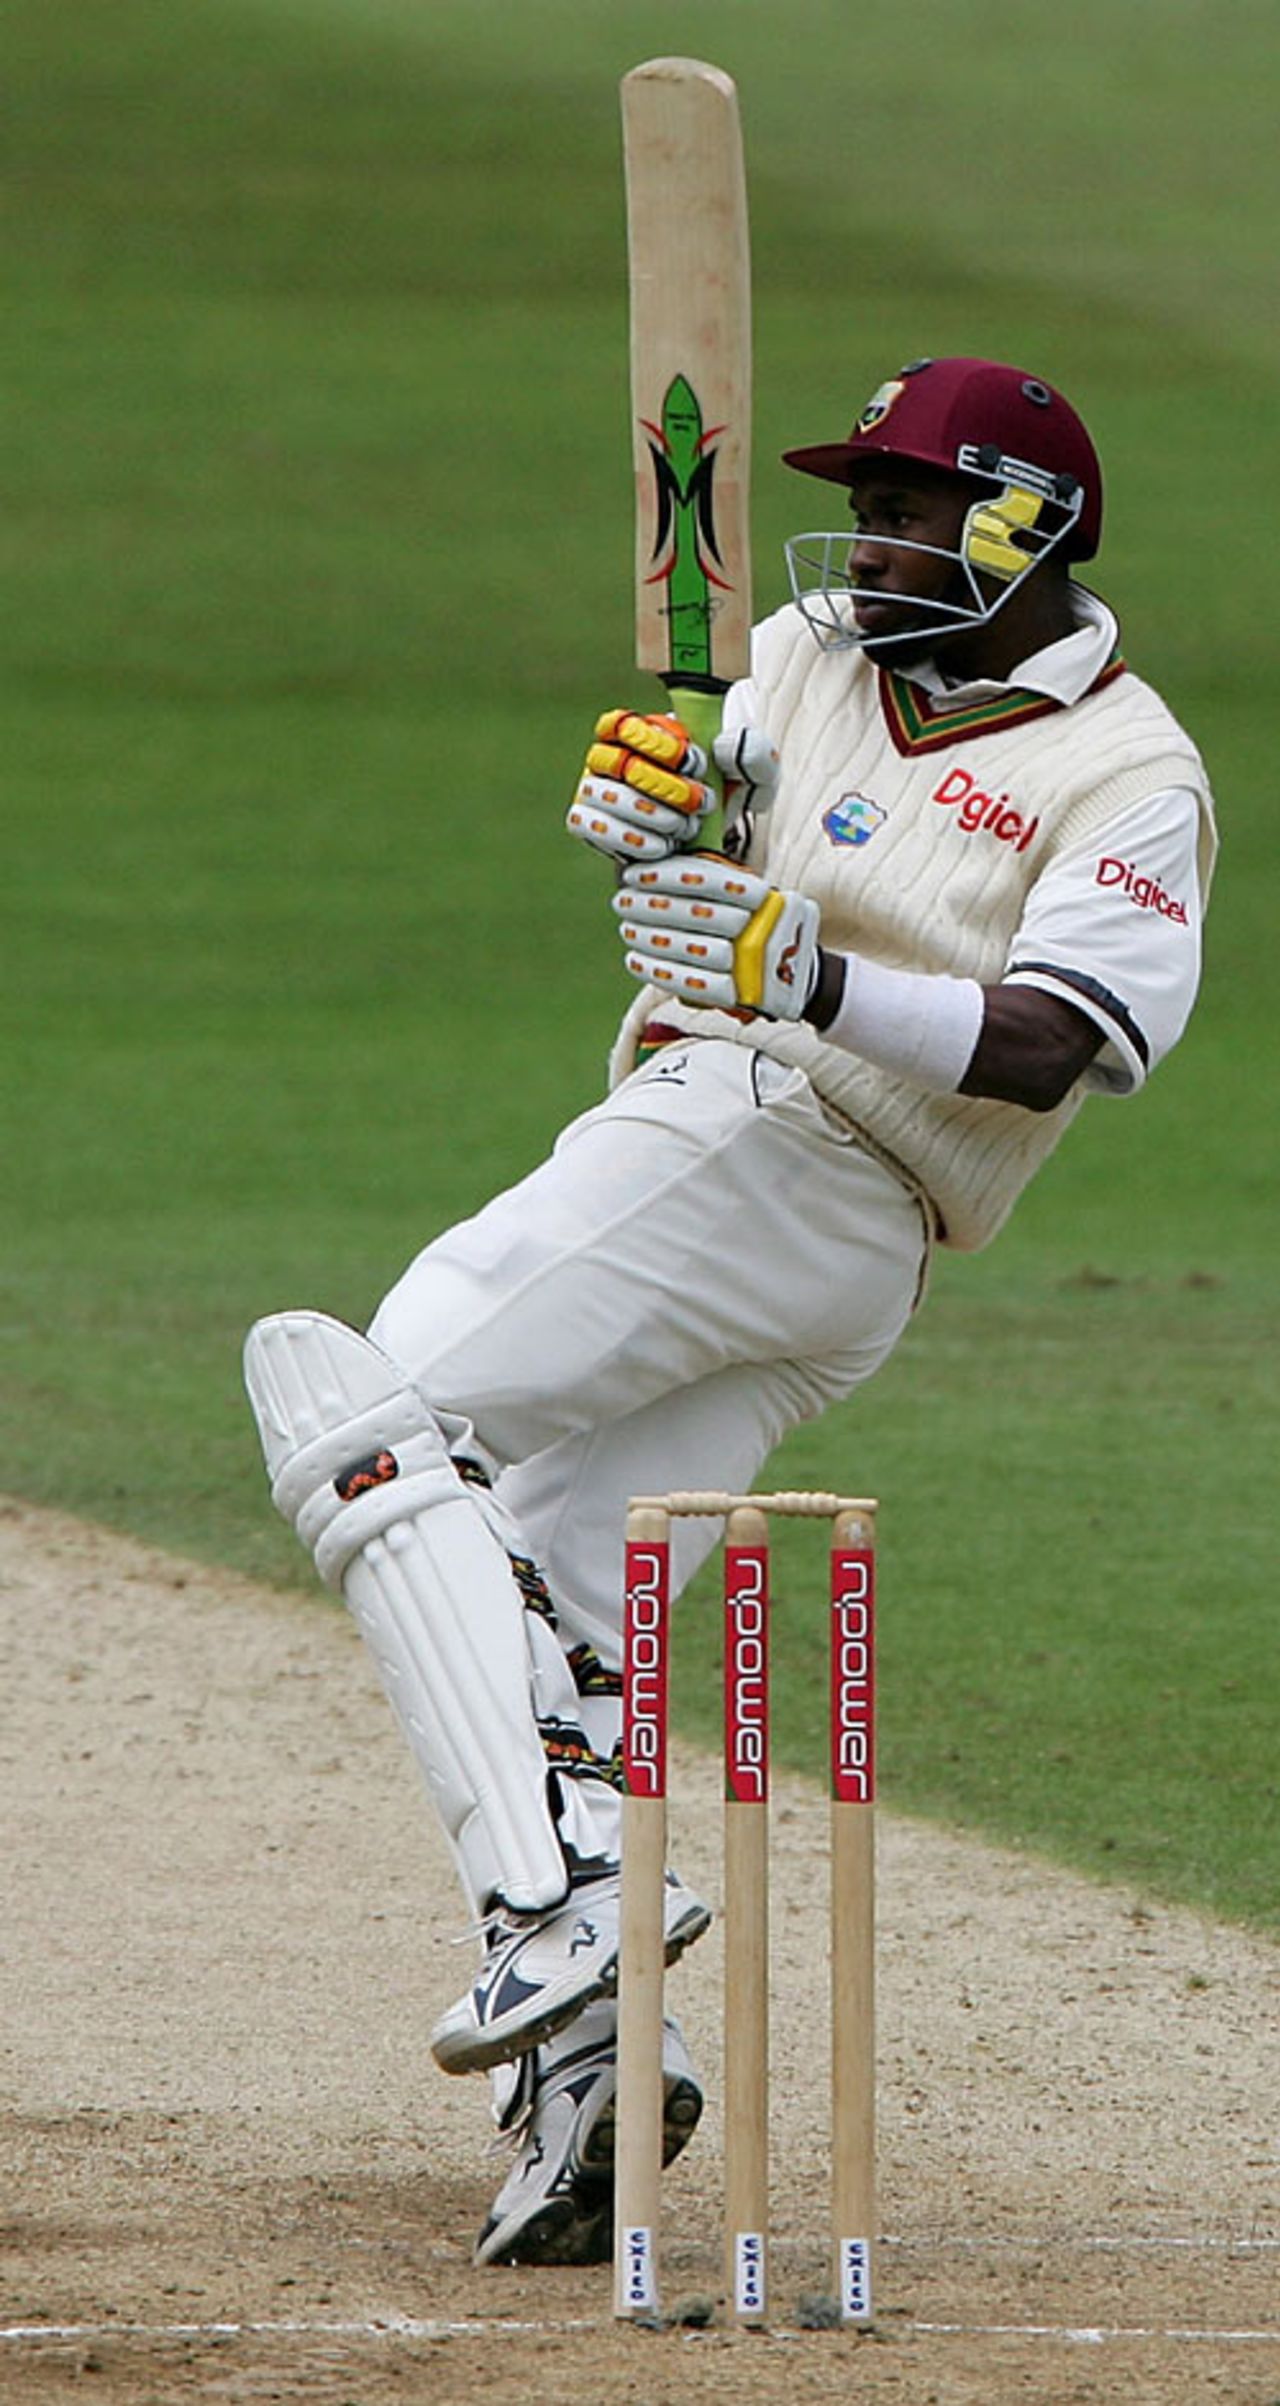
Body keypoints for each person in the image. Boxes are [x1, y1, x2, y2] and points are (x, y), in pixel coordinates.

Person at [243, 356, 1216, 2269]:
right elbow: (708, 824)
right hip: (762, 1197)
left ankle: (562, 1906)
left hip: (799, 1148)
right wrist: (654, 803)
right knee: (551, 1600)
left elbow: (1059, 1047)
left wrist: (814, 976)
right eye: (867, 500)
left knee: (369, 1390)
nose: (874, 538)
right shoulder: (804, 647)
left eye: (916, 506)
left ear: (1029, 527)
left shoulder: (1130, 772)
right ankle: (593, 2071)